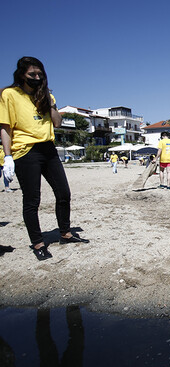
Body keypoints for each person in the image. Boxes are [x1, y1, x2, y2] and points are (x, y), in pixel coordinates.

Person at [0, 56, 89, 261]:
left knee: (63, 192)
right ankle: (38, 243)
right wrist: (8, 157)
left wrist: (49, 103)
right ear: (22, 74)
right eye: (32, 74)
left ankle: (65, 233)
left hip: (48, 148)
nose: (37, 77)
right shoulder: (10, 94)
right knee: (32, 200)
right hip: (25, 150)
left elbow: (57, 123)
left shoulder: (46, 96)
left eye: (40, 74)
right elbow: (5, 128)